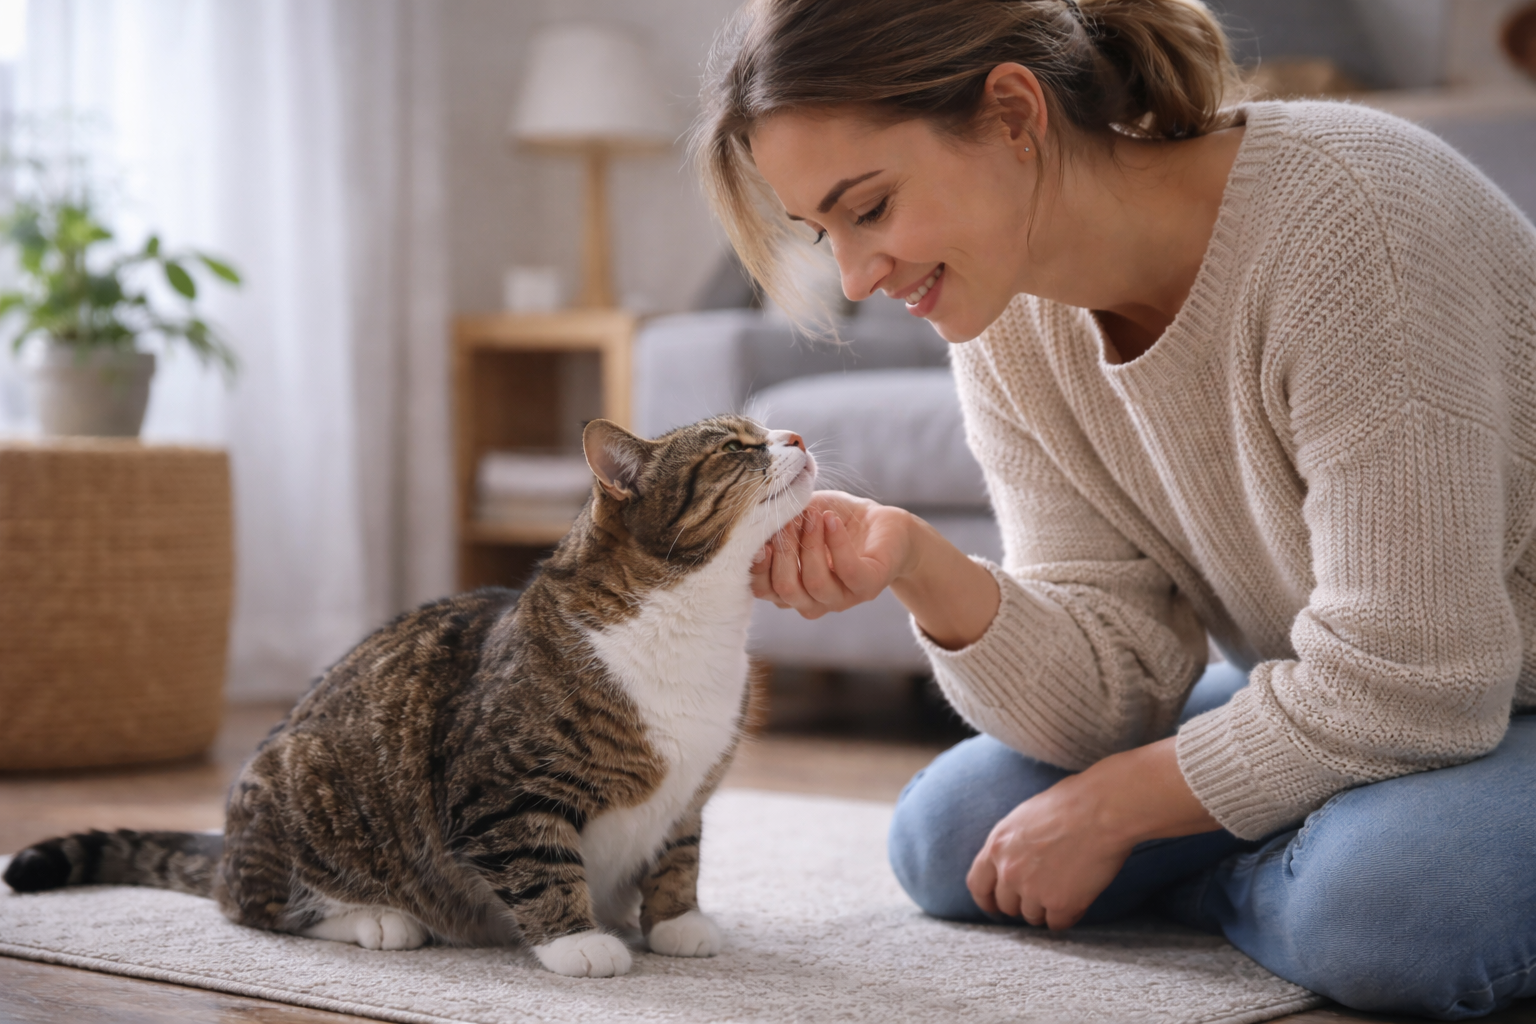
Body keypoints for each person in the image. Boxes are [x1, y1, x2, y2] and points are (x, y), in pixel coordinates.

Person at [692, 0, 1536, 1018]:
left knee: (1392, 909)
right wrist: (920, 565)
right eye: (823, 233)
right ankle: (1297, 880)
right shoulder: (1006, 316)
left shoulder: (1353, 222)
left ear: (1013, 113)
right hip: (1370, 691)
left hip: (1471, 689)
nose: (857, 277)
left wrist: (1118, 808)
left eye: (868, 209)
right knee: (951, 837)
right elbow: (1117, 690)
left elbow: (1419, 685)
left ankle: (1298, 892)